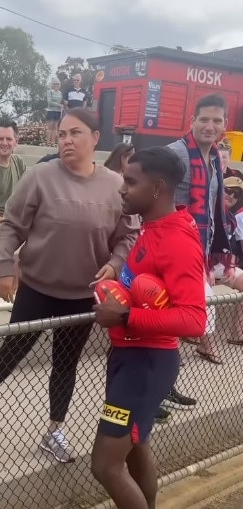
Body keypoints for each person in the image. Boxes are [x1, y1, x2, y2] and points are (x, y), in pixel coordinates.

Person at [0, 108, 139, 464]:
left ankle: (54, 431)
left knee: (66, 363)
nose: (66, 140)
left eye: (75, 133)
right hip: (36, 287)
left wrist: (113, 264)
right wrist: (4, 268)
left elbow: (127, 236)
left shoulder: (114, 184)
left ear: (95, 138)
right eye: (61, 134)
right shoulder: (40, 177)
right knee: (13, 351)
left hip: (81, 294)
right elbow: (12, 226)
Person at [92, 146, 206, 509]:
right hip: (130, 358)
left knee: (105, 466)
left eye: (130, 181)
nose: (122, 189)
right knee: (135, 450)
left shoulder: (176, 240)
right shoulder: (154, 228)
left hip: (145, 365)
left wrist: (125, 317)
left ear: (156, 188)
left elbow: (194, 320)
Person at [161, 93, 231, 414]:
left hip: (196, 253)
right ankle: (154, 390)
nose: (209, 125)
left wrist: (208, 254)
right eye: (204, 119)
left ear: (224, 126)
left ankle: (164, 385)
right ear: (192, 121)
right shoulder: (175, 154)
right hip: (169, 253)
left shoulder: (215, 159)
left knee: (173, 326)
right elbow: (155, 200)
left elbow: (214, 214)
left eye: (216, 120)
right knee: (163, 325)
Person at [213, 176, 243, 344]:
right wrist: (207, 270)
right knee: (204, 291)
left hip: (220, 265)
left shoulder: (231, 219)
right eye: (228, 190)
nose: (231, 196)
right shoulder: (208, 212)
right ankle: (204, 343)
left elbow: (229, 249)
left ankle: (237, 334)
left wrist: (230, 266)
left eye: (236, 194)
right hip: (201, 265)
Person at [46, 77, 63, 146]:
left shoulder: (60, 93)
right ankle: (48, 141)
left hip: (58, 111)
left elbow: (61, 101)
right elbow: (49, 102)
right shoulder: (49, 92)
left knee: (55, 127)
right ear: (52, 85)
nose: (57, 85)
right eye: (55, 84)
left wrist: (61, 106)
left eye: (58, 84)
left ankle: (53, 142)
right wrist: (58, 105)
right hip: (51, 110)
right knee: (50, 126)